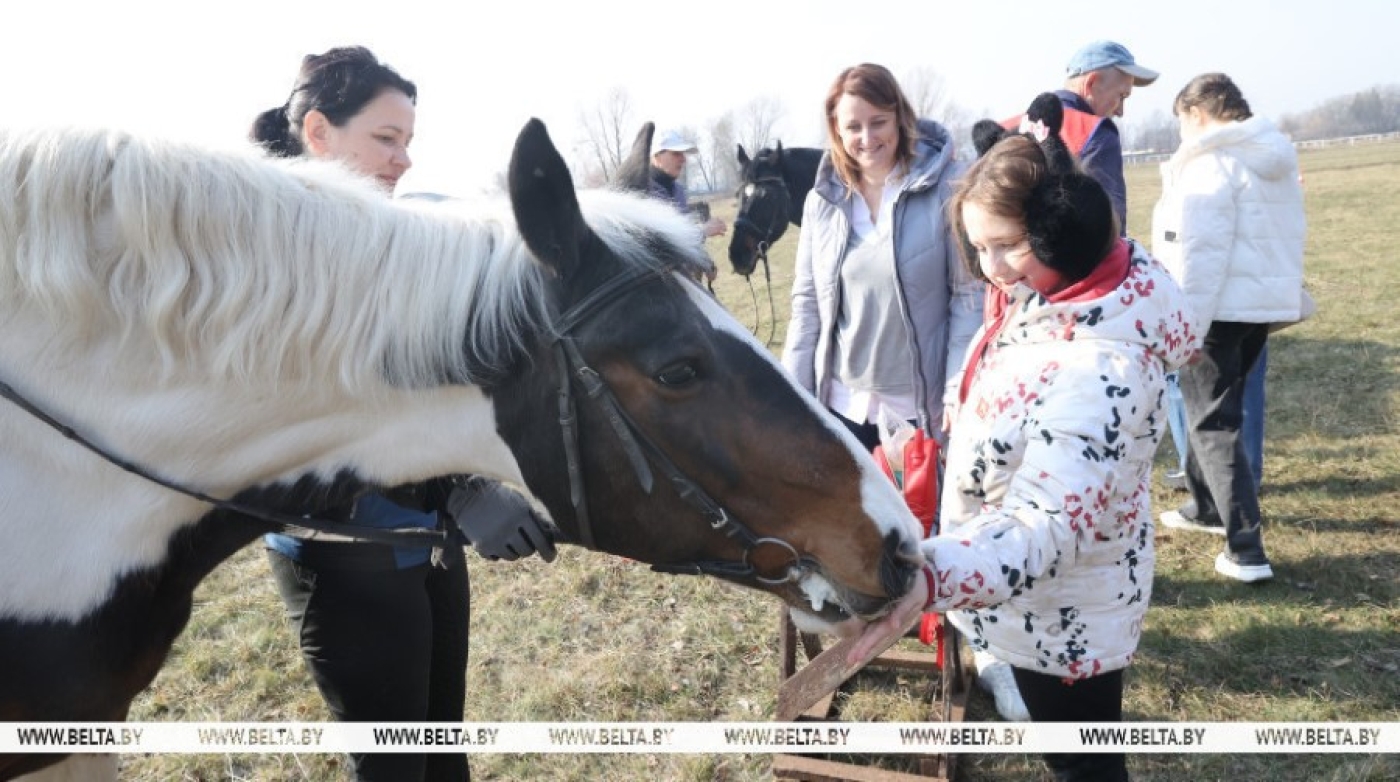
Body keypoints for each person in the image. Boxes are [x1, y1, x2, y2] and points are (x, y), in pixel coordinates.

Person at [847, 93, 1198, 782]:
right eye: (978, 248)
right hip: (1035, 600)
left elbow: (1048, 521)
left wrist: (930, 575)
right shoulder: (1060, 298)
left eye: (1006, 245)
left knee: (1082, 767)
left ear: (1060, 227)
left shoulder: (1101, 365)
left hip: (1063, 610)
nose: (991, 268)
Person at [250, 46, 556, 782]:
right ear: (319, 132)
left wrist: (467, 483)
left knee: (442, 759)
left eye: (408, 141)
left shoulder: (381, 245)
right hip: (343, 558)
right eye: (387, 140)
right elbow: (305, 426)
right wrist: (453, 489)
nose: (404, 160)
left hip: (429, 546)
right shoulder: (267, 257)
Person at [1150, 73, 1307, 583]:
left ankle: (1246, 549)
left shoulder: (1212, 164)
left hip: (1216, 310)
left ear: (1197, 114)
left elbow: (1199, 257)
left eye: (1180, 123)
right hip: (1257, 306)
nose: (1180, 136)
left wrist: (1183, 328)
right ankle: (1206, 506)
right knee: (1216, 412)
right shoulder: (1270, 159)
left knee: (1213, 423)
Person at [781, 63, 982, 454]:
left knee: (920, 516)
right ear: (836, 130)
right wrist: (794, 397)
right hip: (842, 410)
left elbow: (966, 297)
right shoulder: (820, 203)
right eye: (853, 126)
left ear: (900, 118)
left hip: (917, 412)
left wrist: (958, 388)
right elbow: (807, 305)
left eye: (879, 122)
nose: (867, 137)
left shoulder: (947, 189)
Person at [1007, 40, 1158, 234]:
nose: (1121, 111)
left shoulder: (1005, 128)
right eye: (1121, 96)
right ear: (1091, 83)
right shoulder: (1096, 133)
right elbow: (1108, 230)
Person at [649, 129, 728, 238]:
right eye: (676, 153)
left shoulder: (678, 191)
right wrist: (703, 231)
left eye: (683, 154)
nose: (683, 159)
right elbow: (664, 241)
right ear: (657, 157)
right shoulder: (643, 192)